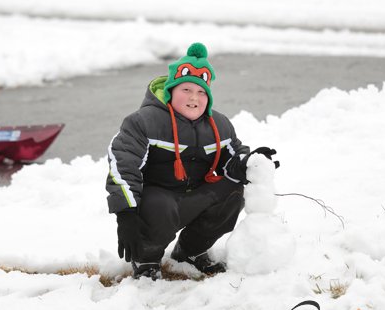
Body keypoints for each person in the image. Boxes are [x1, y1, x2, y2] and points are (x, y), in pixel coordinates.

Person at [105, 42, 279, 281]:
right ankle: (146, 258)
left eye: (200, 92)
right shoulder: (143, 122)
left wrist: (251, 162)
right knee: (160, 206)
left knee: (233, 190)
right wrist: (125, 213)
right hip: (157, 200)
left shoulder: (220, 125)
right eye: (186, 90)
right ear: (171, 91)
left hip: (194, 196)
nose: (193, 98)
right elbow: (123, 165)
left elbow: (234, 158)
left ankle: (190, 252)